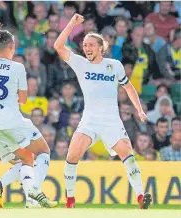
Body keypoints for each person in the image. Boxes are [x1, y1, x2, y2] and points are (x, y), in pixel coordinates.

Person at [54, 13, 152, 209]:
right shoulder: (80, 64)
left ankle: (141, 196)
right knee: (72, 155)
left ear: (101, 47)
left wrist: (139, 110)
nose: (87, 48)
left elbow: (129, 88)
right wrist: (72, 24)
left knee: (128, 154)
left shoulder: (114, 66)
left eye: (91, 44)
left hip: (112, 122)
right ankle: (70, 200)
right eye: (85, 44)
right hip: (89, 120)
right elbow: (58, 46)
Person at [0, 26, 57, 208]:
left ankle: (2, 185)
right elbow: (23, 100)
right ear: (11, 47)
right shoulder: (17, 67)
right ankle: (33, 194)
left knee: (26, 158)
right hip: (13, 122)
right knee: (43, 152)